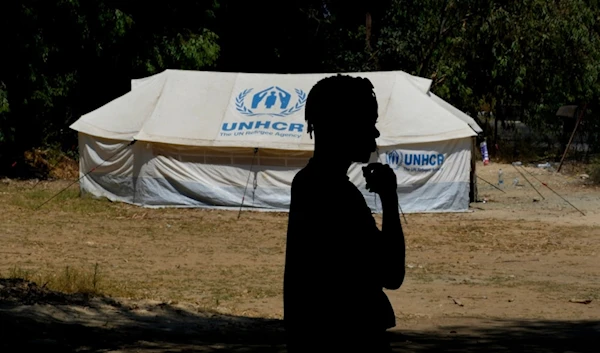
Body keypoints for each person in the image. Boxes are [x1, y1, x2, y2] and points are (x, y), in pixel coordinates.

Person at [283, 74, 406, 352]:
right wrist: (389, 198)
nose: (374, 133)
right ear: (342, 127)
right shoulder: (338, 196)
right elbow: (392, 274)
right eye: (367, 123)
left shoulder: (306, 184)